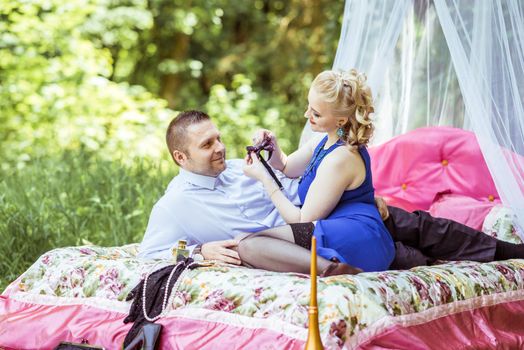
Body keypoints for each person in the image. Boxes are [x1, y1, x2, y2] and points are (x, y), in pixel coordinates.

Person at [138, 110, 524, 272]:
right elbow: (150, 254)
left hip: (318, 225)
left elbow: (295, 184)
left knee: (410, 221)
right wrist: (198, 250)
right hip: (294, 244)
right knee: (409, 256)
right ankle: (422, 263)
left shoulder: (242, 169)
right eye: (207, 145)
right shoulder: (175, 204)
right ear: (180, 156)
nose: (220, 148)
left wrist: (350, 197)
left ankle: (505, 253)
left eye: (218, 138)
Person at [239, 69, 395, 275]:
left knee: (250, 246)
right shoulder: (325, 141)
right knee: (249, 244)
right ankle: (331, 268)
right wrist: (272, 145)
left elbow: (301, 219)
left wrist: (264, 178)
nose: (307, 115)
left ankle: (333, 270)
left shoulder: (341, 158)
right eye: (309, 107)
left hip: (358, 238)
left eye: (316, 113)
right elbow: (286, 166)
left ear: (340, 121)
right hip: (336, 230)